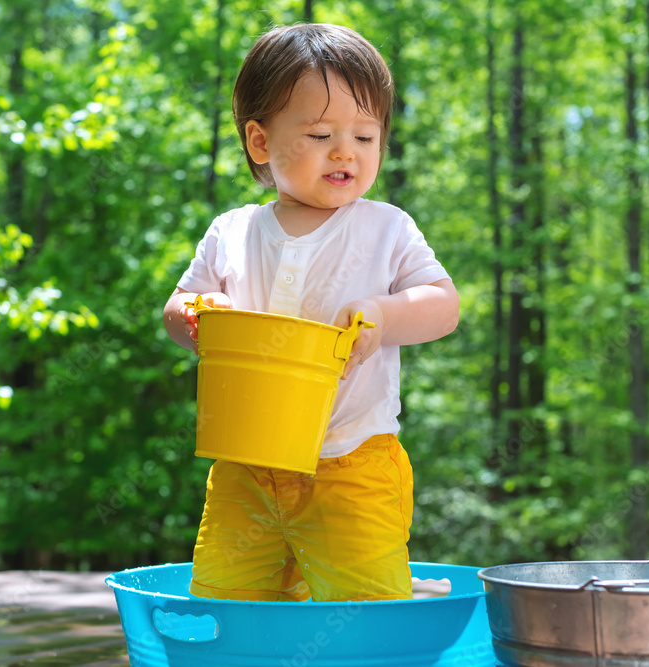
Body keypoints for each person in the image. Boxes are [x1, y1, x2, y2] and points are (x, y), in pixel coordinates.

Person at [162, 23, 459, 602]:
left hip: (350, 462)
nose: (347, 150)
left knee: (364, 604)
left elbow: (442, 305)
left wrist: (382, 314)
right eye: (322, 133)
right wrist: (202, 311)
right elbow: (177, 309)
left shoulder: (385, 227)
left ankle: (397, 591)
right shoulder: (233, 231)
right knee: (226, 599)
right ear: (260, 143)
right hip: (246, 465)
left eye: (366, 136)